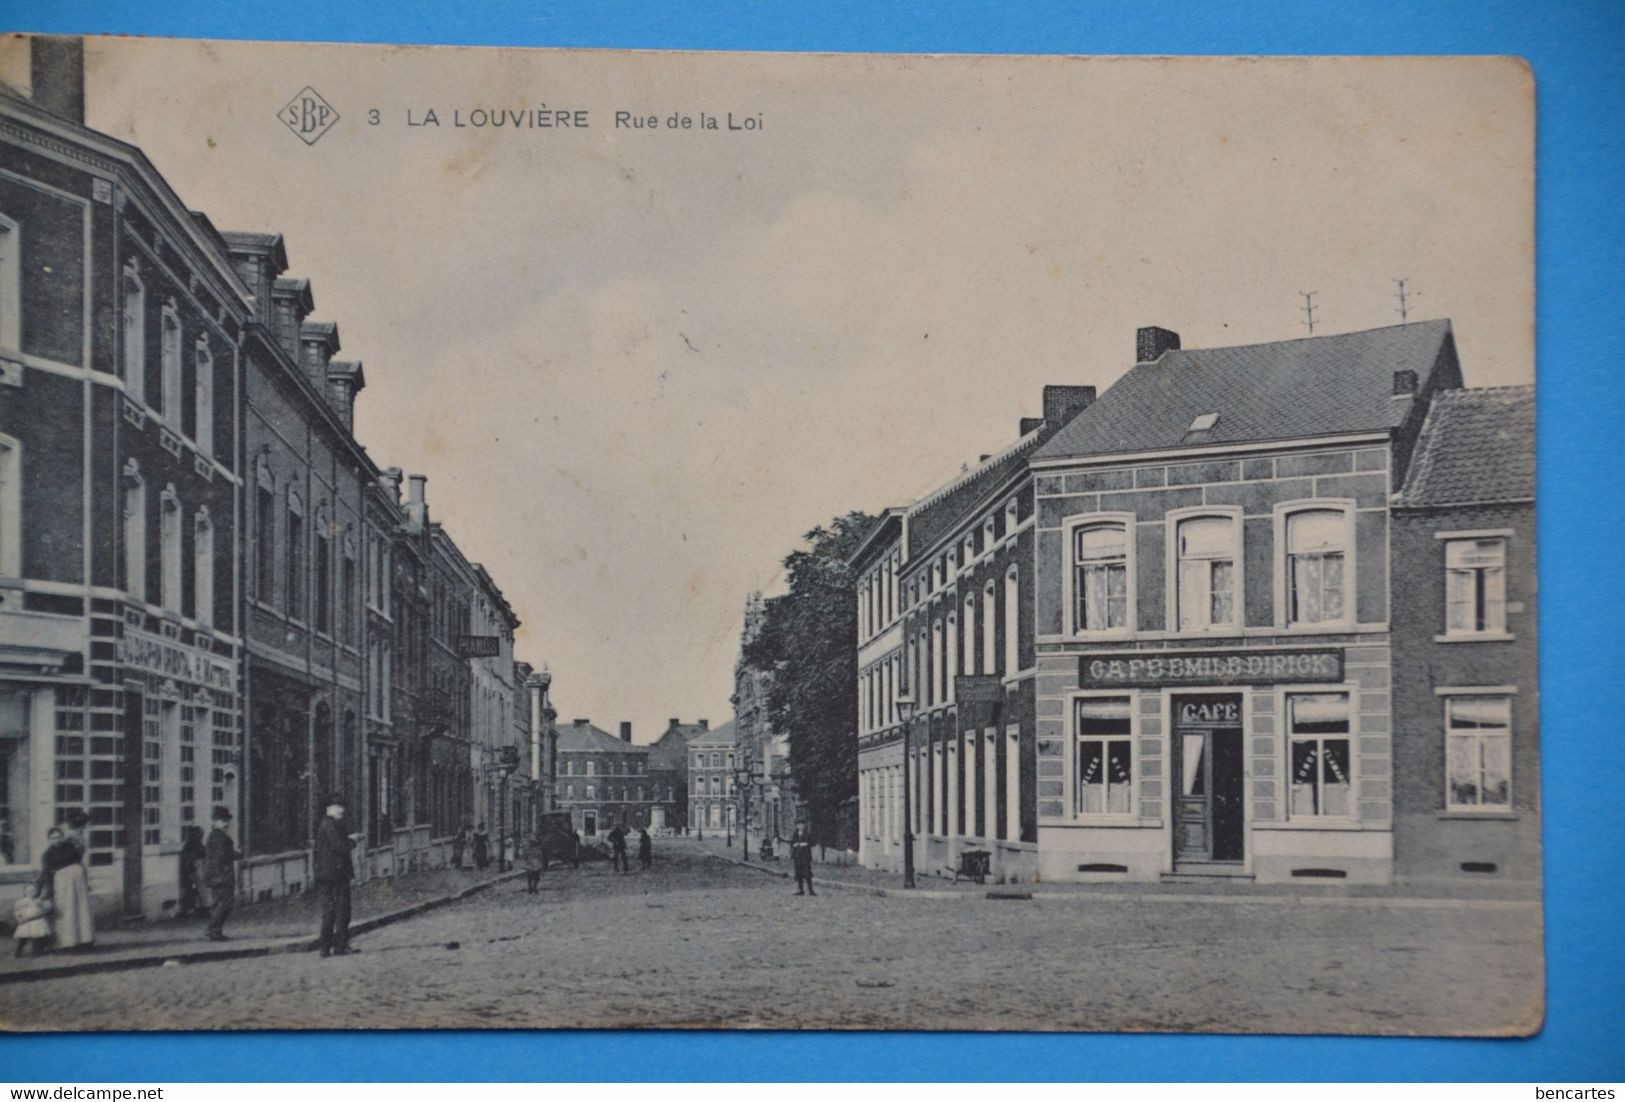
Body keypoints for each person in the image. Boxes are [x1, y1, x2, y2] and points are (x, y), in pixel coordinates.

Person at [42, 812, 95, 949]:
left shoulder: (72, 843)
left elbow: (77, 859)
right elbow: (48, 870)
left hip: (76, 879)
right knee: (67, 910)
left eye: (59, 837)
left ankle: (84, 939)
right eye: (53, 838)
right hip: (62, 881)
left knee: (81, 909)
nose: (57, 840)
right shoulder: (49, 853)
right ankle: (68, 941)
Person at [314, 797, 356, 958]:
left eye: (342, 806)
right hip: (335, 875)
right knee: (342, 910)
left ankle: (326, 947)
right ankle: (339, 946)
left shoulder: (329, 823)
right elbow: (339, 846)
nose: (342, 810)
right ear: (329, 809)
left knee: (331, 911)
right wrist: (352, 843)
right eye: (338, 807)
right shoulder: (330, 824)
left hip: (330, 874)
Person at [202, 806, 239, 941]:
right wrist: (237, 854)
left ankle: (215, 931)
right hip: (223, 877)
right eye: (222, 820)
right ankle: (213, 929)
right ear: (215, 822)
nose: (226, 823)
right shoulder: (220, 837)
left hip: (216, 877)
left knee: (219, 904)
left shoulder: (214, 836)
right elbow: (222, 856)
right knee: (223, 904)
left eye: (227, 820)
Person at [12, 882, 53, 957]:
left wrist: (43, 904)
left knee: (37, 937)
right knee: (23, 937)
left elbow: (45, 908)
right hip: (26, 922)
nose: (31, 893)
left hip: (37, 922)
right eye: (29, 891)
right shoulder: (22, 901)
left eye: (33, 891)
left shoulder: (38, 901)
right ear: (25, 892)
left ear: (36, 891)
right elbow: (17, 911)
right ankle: (18, 951)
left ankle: (36, 951)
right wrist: (19, 918)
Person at [177, 825, 206, 918]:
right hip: (189, 871)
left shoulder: (197, 845)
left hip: (193, 871)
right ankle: (184, 911)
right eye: (199, 834)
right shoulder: (192, 845)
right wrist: (190, 871)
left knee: (193, 891)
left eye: (201, 835)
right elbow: (189, 859)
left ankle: (192, 910)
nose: (200, 836)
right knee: (187, 891)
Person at [791, 826, 815, 897]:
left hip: (805, 857)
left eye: (802, 825)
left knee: (807, 873)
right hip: (797, 857)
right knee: (799, 873)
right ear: (797, 826)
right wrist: (794, 845)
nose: (800, 826)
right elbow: (792, 843)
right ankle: (801, 890)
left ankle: (811, 890)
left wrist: (805, 844)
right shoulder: (795, 834)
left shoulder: (807, 833)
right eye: (799, 825)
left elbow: (812, 842)